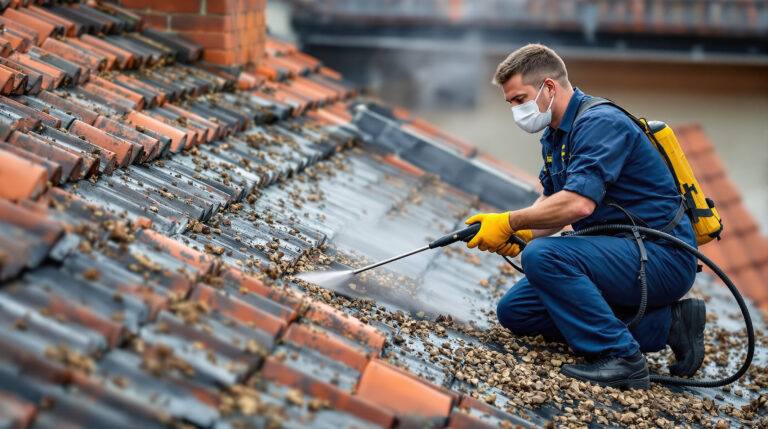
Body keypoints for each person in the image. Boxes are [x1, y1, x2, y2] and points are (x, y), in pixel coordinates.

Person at [465, 44, 705, 389]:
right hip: (621, 254)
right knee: (516, 311)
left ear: (548, 88)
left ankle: (622, 358)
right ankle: (667, 324)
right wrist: (523, 234)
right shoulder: (556, 135)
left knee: (544, 257)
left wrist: (508, 222)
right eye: (511, 103)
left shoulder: (599, 123)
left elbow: (577, 206)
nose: (516, 111)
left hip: (662, 257)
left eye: (519, 99)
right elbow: (552, 203)